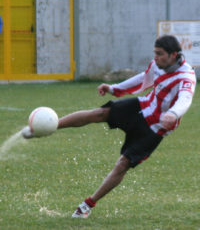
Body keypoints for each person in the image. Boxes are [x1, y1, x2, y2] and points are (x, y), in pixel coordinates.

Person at [23, 35, 196, 219]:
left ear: (173, 55)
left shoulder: (186, 77)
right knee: (98, 113)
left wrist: (174, 114)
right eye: (155, 53)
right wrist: (114, 88)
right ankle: (48, 128)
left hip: (155, 128)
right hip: (142, 106)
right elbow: (143, 79)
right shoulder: (158, 64)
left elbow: (185, 100)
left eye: (160, 54)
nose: (156, 58)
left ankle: (87, 205)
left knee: (123, 164)